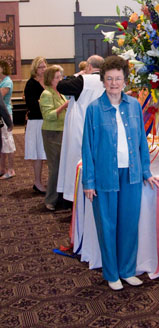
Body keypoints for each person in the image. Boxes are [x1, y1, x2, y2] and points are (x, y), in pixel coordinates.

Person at [82, 56, 159, 291]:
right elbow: (88, 147)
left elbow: (140, 142)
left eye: (118, 79)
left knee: (128, 224)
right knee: (107, 226)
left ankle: (127, 270)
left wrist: (146, 170)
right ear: (103, 81)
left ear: (125, 81)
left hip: (132, 175)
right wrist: (89, 181)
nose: (114, 83)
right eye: (109, 79)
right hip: (105, 175)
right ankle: (112, 273)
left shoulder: (134, 105)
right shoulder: (94, 109)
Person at [56, 55, 105, 202]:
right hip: (101, 125)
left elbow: (61, 86)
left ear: (89, 67)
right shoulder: (109, 80)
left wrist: (79, 74)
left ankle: (76, 197)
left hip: (81, 126)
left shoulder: (83, 80)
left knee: (78, 162)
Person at [39, 65, 68, 211]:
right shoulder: (47, 94)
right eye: (57, 77)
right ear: (50, 79)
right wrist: (65, 106)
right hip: (51, 133)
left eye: (61, 77)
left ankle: (60, 198)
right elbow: (48, 115)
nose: (60, 79)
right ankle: (50, 199)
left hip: (62, 132)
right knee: (55, 168)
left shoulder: (60, 93)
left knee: (62, 166)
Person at [24, 56, 48, 193]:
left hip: (49, 120)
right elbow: (31, 104)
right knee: (38, 154)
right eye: (40, 67)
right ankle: (37, 182)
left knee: (48, 154)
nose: (43, 69)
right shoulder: (31, 84)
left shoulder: (49, 82)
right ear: (35, 69)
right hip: (36, 121)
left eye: (45, 66)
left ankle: (49, 182)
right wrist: (45, 105)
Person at [0, 60, 16, 179]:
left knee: (8, 141)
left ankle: (11, 170)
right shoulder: (2, 81)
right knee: (2, 142)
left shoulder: (7, 81)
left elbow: (1, 97)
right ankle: (2, 168)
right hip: (1, 114)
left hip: (5, 115)